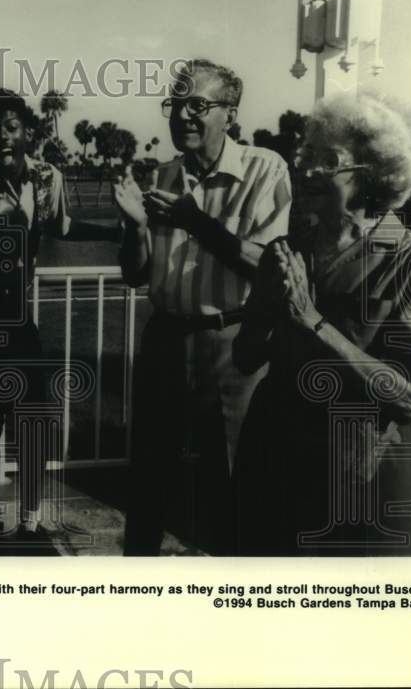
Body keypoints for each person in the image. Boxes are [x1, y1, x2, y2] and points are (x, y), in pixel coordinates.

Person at [233, 93, 411, 556]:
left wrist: (311, 321)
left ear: (373, 175)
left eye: (329, 160)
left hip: (362, 472)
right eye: (308, 157)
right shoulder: (286, 250)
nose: (308, 170)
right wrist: (265, 304)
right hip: (275, 454)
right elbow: (244, 358)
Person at [116, 58, 292, 555]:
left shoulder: (265, 168)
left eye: (199, 105)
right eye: (176, 104)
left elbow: (269, 265)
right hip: (166, 340)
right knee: (148, 480)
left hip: (230, 345)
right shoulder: (164, 174)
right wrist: (134, 227)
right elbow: (134, 273)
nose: (183, 116)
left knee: (231, 481)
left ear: (229, 115)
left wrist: (200, 225)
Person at [0, 88, 117, 551]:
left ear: (27, 131)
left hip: (21, 324)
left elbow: (61, 225)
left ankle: (29, 520)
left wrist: (120, 230)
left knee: (33, 426)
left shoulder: (47, 176)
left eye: (12, 126)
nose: (2, 136)